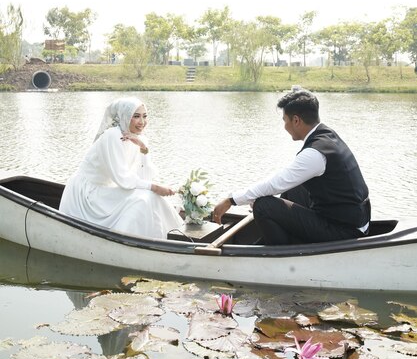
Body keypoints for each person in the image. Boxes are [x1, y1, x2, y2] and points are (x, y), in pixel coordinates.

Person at [213, 88, 371, 245]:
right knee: (293, 187)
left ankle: (281, 252)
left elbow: (275, 184)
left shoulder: (315, 153)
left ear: (296, 120)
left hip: (345, 230)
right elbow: (282, 182)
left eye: (284, 120)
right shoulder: (327, 134)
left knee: (263, 205)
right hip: (352, 219)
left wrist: (231, 200)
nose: (284, 126)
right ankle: (279, 235)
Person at [59, 97, 183, 239]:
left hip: (108, 189)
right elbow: (123, 179)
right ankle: (129, 242)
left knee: (152, 196)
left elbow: (144, 177)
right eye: (136, 116)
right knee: (142, 199)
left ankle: (174, 235)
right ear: (125, 116)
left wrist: (143, 148)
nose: (142, 122)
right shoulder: (112, 136)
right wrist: (154, 186)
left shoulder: (139, 138)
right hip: (88, 195)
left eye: (144, 116)